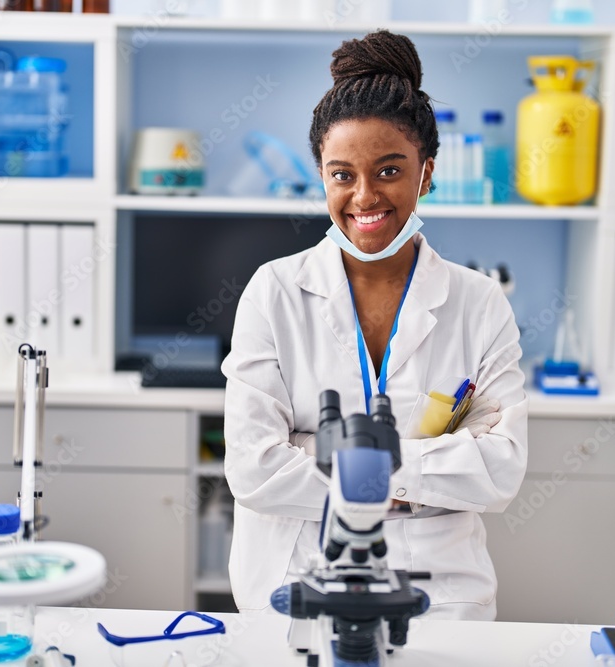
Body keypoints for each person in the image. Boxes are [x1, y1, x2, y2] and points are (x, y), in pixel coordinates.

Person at [221, 30, 528, 620]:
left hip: (440, 587)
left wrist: (326, 454)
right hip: (295, 574)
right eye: (342, 175)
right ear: (323, 177)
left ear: (426, 172)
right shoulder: (274, 291)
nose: (365, 197)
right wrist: (425, 464)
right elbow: (254, 469)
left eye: (389, 170)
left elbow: (500, 471)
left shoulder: (480, 302)